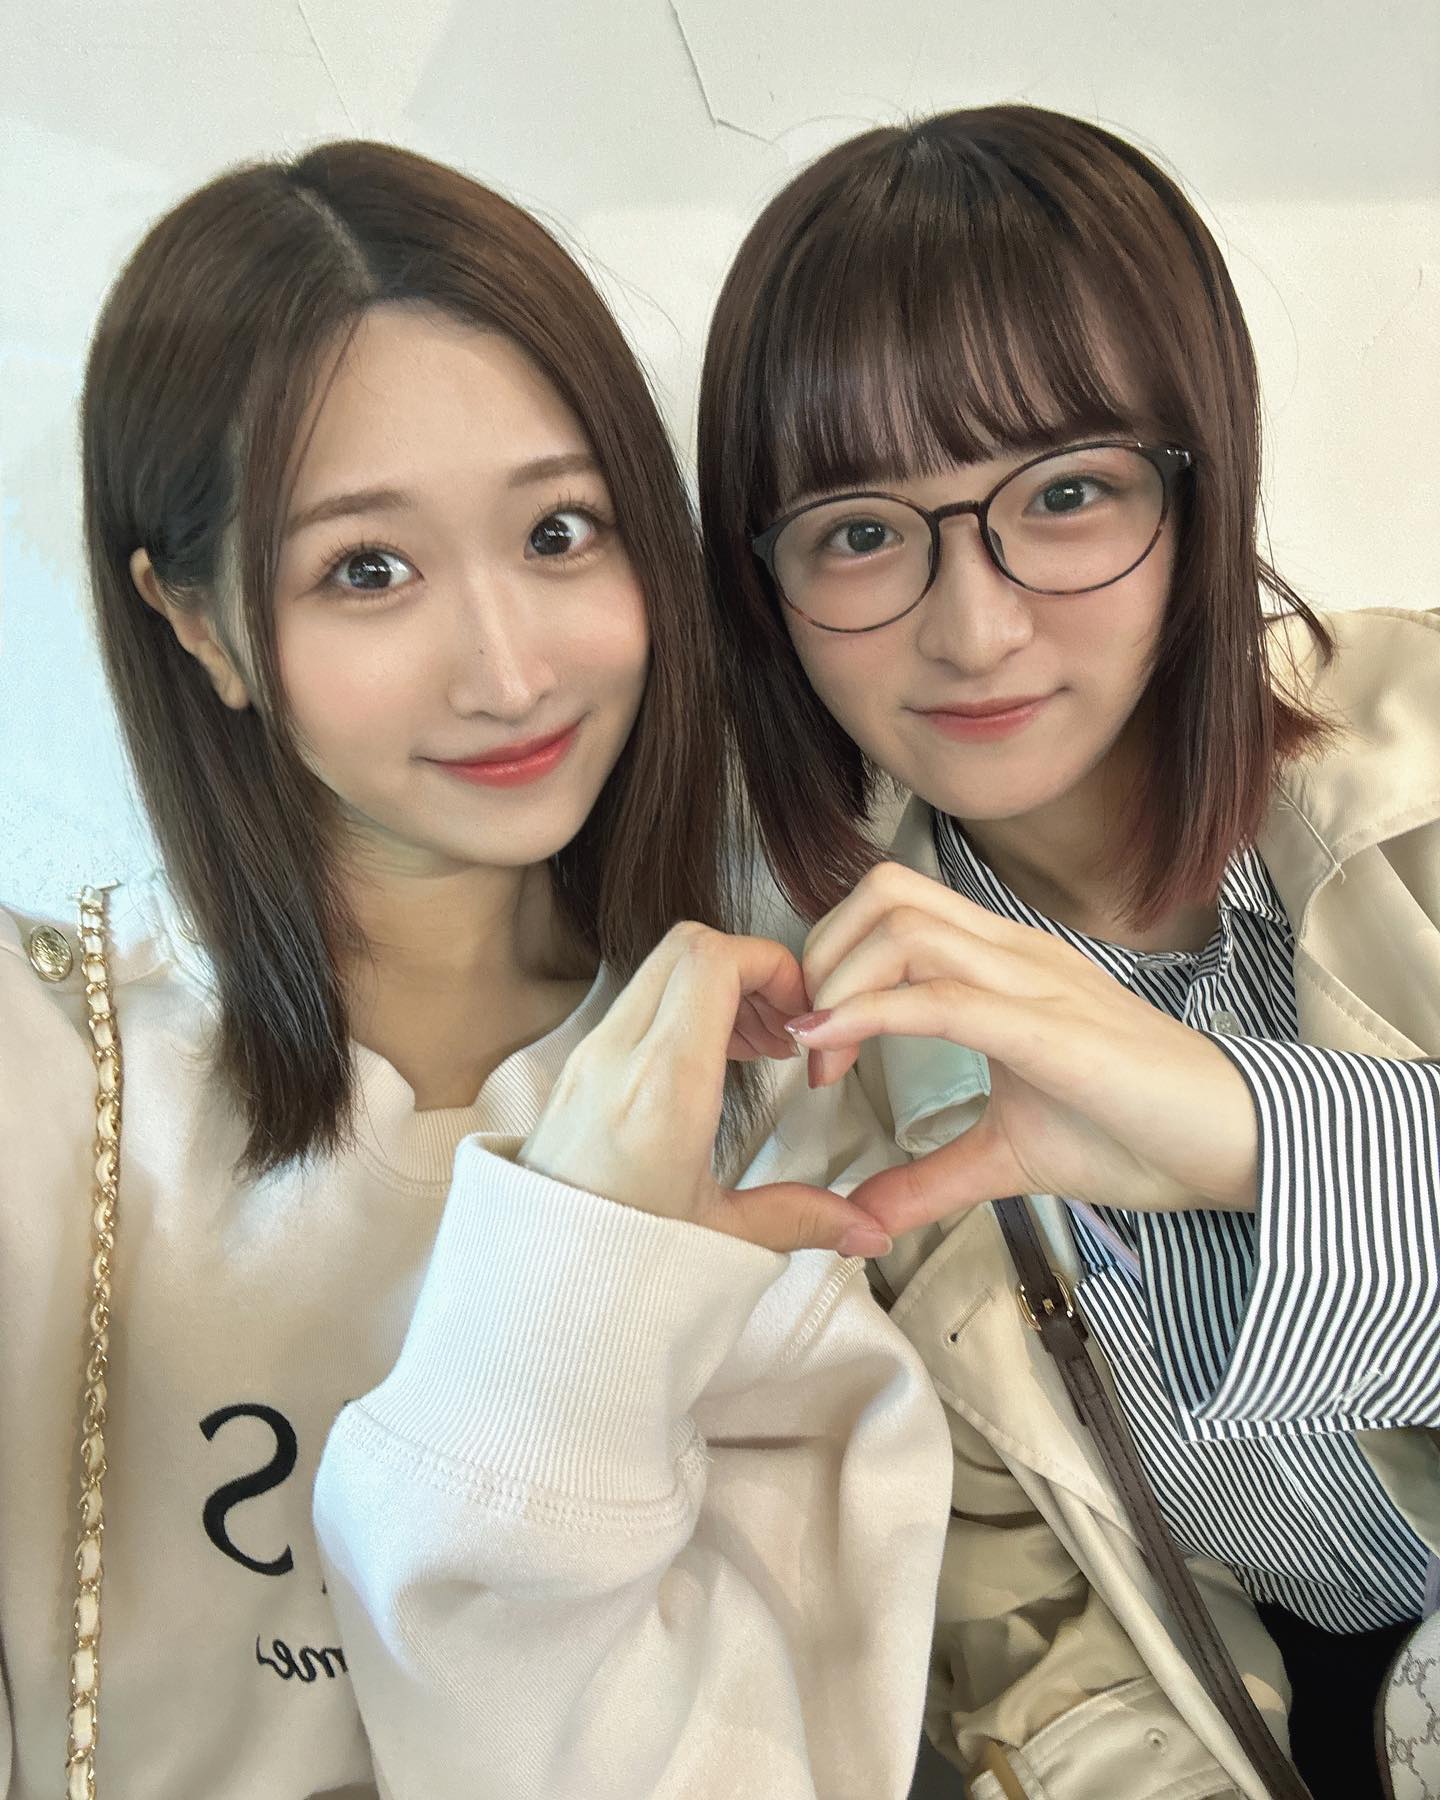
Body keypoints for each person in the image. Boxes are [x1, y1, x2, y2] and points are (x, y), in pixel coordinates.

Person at [0, 140, 953, 1800]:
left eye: (562, 531)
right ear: (201, 624)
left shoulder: (792, 1107)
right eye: (367, 569)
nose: (509, 671)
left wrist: (589, 1268)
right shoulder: (49, 1073)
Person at [699, 104, 1440, 1800]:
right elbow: (1035, 1646)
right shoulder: (810, 1055)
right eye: (860, 530)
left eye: (1070, 492)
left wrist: (1251, 1134)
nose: (975, 628)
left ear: (1200, 485)